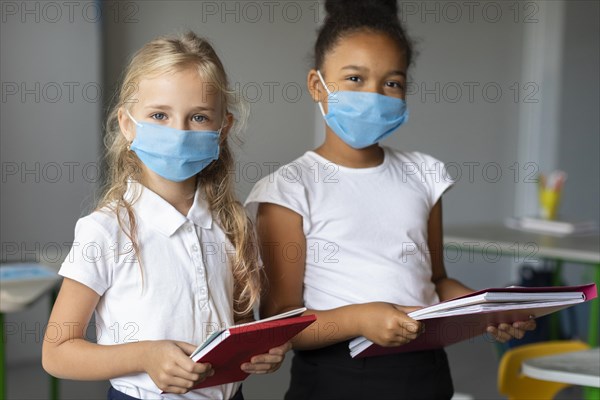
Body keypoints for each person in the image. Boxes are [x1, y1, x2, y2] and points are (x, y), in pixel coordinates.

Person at [244, 1, 536, 399]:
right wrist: (360, 318)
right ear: (317, 85)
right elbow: (280, 321)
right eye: (354, 78)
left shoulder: (425, 175)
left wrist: (483, 308)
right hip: (335, 381)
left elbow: (435, 280)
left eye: (392, 83)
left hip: (426, 375)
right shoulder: (289, 189)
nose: (374, 94)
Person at [42, 31, 290, 400]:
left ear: (223, 130)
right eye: (159, 115)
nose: (178, 133)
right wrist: (145, 355)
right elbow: (57, 353)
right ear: (128, 125)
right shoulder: (105, 231)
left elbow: (237, 327)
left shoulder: (233, 225)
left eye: (199, 117)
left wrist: (258, 351)